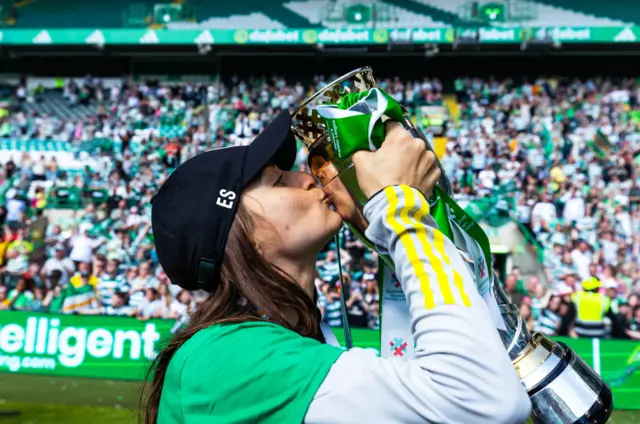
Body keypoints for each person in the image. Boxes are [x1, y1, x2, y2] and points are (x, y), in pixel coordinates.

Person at [141, 111, 531, 424]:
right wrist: (398, 209)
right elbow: (483, 398)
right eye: (277, 181)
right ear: (240, 237)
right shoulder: (226, 356)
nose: (308, 178)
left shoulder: (288, 341)